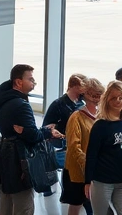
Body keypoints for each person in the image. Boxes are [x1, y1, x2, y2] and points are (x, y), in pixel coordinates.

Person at [0, 64, 65, 215]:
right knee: (24, 204)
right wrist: (48, 132)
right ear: (18, 82)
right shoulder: (22, 104)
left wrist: (8, 126)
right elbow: (33, 136)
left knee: (7, 199)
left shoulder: (3, 99)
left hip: (4, 153)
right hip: (20, 156)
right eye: (30, 79)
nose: (34, 82)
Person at [83, 81, 122, 215]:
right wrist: (87, 181)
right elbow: (91, 155)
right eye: (114, 98)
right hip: (103, 180)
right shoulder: (100, 125)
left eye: (121, 97)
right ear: (107, 100)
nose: (118, 101)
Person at [43, 74, 88, 215]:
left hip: (76, 146)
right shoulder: (58, 104)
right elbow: (47, 127)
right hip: (62, 147)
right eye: (83, 86)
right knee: (70, 175)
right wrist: (57, 133)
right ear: (75, 86)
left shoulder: (81, 103)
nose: (85, 90)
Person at [62, 79, 103, 215]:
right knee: (76, 204)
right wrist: (88, 166)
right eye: (93, 95)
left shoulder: (101, 117)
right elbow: (74, 146)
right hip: (78, 172)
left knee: (94, 205)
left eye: (99, 95)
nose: (96, 98)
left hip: (95, 170)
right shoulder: (76, 117)